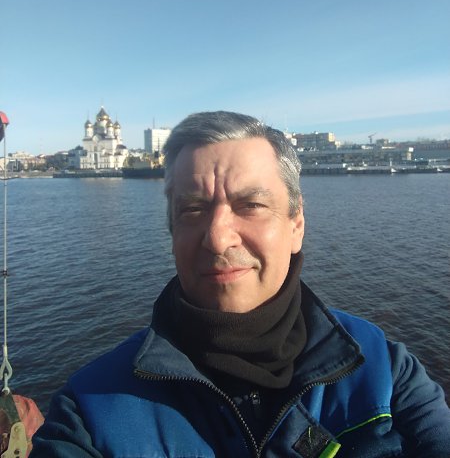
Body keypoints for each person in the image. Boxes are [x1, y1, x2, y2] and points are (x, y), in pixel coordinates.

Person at [31, 111, 450, 457]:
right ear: (171, 230)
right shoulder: (89, 411)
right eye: (192, 209)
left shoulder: (385, 371)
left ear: (296, 225)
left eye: (251, 204)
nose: (218, 238)